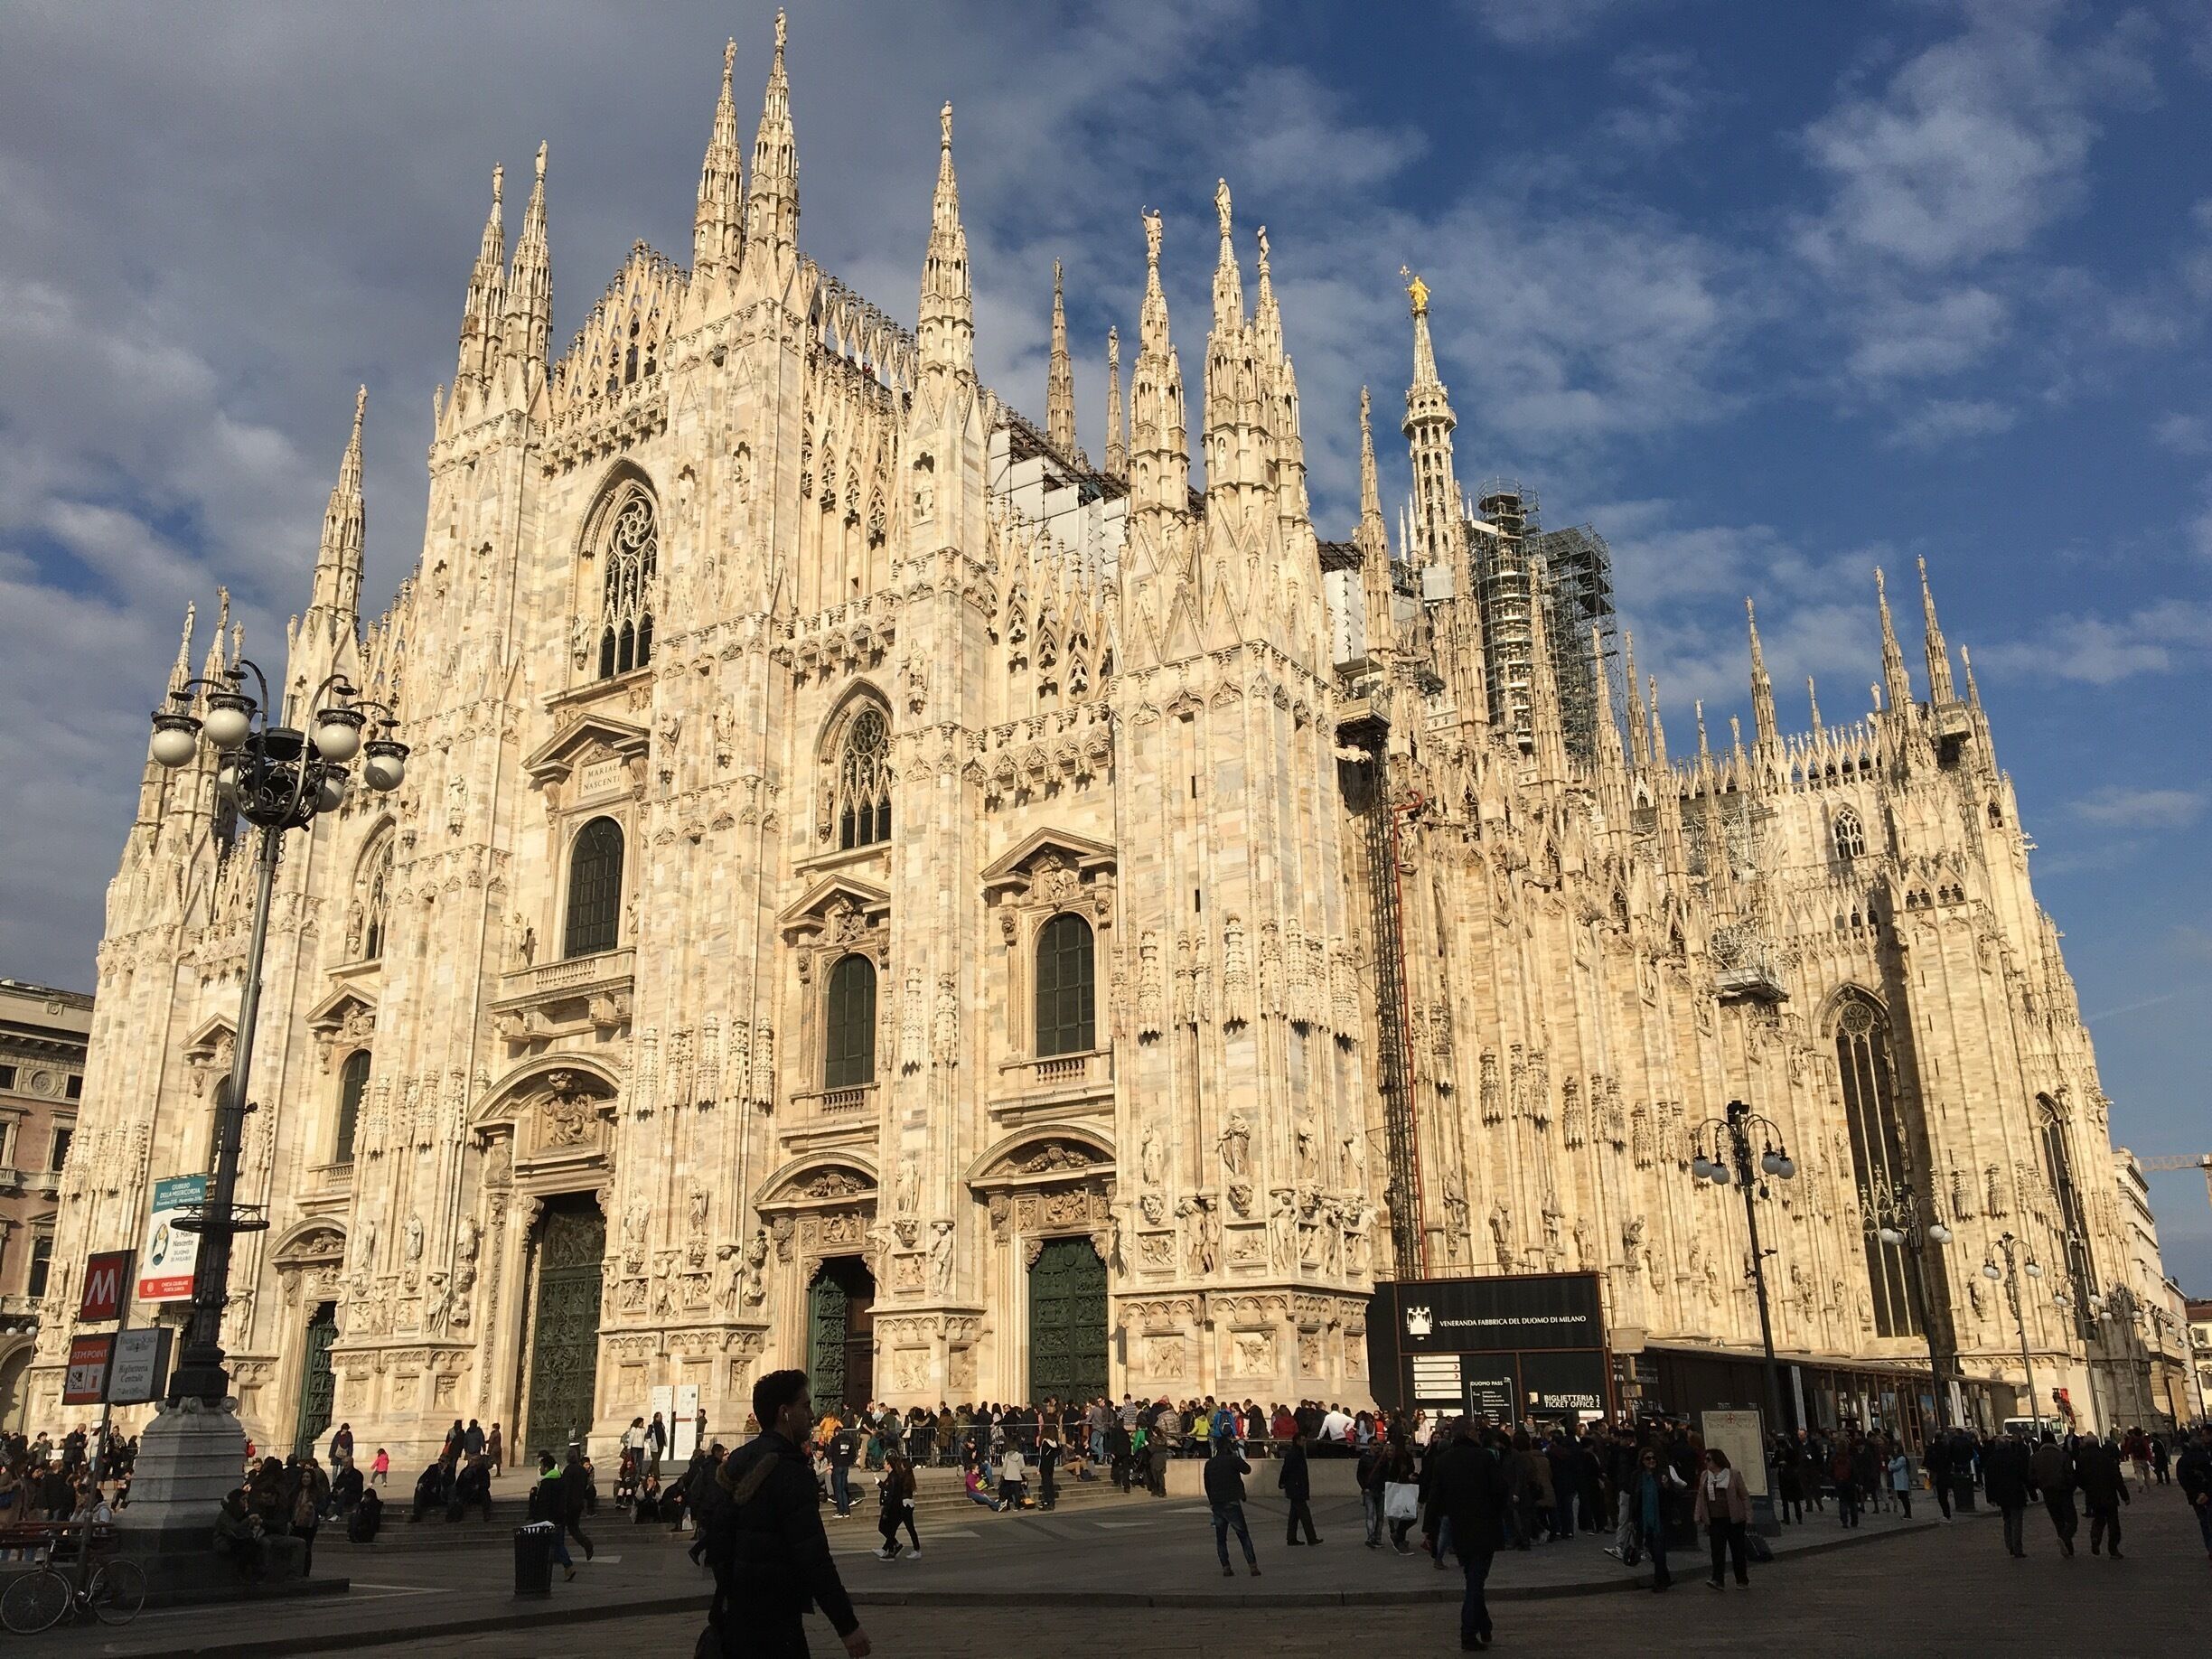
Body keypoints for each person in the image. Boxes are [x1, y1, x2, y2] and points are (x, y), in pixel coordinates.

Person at [697, 1368, 870, 1658]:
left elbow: (716, 1538)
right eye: (804, 1405)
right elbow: (813, 1557)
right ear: (784, 1413)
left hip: (734, 1614)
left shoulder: (737, 1460)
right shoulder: (790, 1473)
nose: (812, 1414)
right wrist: (847, 1626)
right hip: (776, 1618)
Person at [1424, 1419, 1510, 1652]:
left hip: (1459, 1528)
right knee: (1476, 1580)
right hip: (1485, 1526)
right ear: (1471, 1433)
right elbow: (1501, 1489)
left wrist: (1428, 1528)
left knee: (1473, 1578)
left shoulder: (1443, 1461)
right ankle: (1468, 1633)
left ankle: (1484, 1625)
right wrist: (1498, 1512)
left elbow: (1434, 1497)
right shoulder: (1484, 1457)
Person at [1632, 1445, 1686, 1591]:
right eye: (1648, 1458)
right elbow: (1634, 1497)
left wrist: (1667, 1486)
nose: (1651, 1461)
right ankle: (1665, 1577)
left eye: (1653, 1458)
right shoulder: (1638, 1476)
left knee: (1659, 1550)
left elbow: (1674, 1496)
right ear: (1642, 1461)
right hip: (1644, 1519)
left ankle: (1659, 1582)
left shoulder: (1663, 1474)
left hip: (1660, 1518)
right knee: (1652, 1550)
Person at [1694, 1448, 1751, 1589]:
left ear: (1717, 1460)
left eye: (1709, 1459)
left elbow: (1744, 1496)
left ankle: (1742, 1580)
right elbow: (1700, 1497)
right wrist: (1698, 1514)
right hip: (1715, 1519)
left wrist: (1749, 1516)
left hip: (1733, 1518)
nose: (1706, 1462)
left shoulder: (1733, 1475)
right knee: (1717, 1550)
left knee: (1737, 1550)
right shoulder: (1705, 1476)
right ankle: (1717, 1579)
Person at [1204, 1437, 1261, 1578]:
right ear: (1228, 1447)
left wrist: (1212, 1500)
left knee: (1221, 1538)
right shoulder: (1232, 1460)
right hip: (1232, 1502)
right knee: (1243, 1535)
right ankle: (1252, 1566)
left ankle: (1226, 1567)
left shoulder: (1210, 1463)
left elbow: (1207, 1485)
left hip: (1217, 1503)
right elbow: (1247, 1469)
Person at [1982, 1427, 2035, 1559]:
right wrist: (2032, 1491)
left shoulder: (1992, 1460)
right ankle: (2017, 1547)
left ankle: (2009, 1544)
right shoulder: (2014, 1458)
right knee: (2017, 1520)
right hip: (2016, 1493)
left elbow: (1989, 1481)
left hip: (2002, 1495)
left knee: (2007, 1520)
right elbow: (2024, 1476)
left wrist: (1990, 1497)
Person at [2074, 1433, 2129, 1558]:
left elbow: (2078, 1478)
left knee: (2098, 1519)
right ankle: (2113, 1549)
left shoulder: (2081, 1459)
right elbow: (2116, 1477)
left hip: (2093, 1495)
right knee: (2113, 1522)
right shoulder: (2105, 1457)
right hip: (2109, 1494)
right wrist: (2124, 1495)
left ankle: (2095, 1537)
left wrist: (2087, 1488)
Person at [2030, 1430, 2076, 1555]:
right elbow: (2070, 1475)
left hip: (2047, 1492)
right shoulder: (2063, 1456)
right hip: (2063, 1491)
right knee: (2072, 1520)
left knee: (2058, 1520)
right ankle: (2065, 1539)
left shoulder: (2035, 1457)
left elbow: (2032, 1477)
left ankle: (2068, 1549)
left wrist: (2038, 1488)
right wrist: (2071, 1487)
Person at [535, 1454, 576, 1580]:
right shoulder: (560, 1480)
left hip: (548, 1519)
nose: (540, 1468)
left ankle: (566, 1566)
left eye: (541, 1466)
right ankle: (567, 1567)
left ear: (546, 1468)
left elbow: (543, 1504)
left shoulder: (546, 1483)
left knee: (549, 1545)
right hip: (560, 1517)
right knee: (557, 1544)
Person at [2175, 1424, 2212, 1565]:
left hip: (2195, 1497)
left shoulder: (2183, 1460)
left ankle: (2209, 1548)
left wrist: (2193, 1493)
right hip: (2207, 1495)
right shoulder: (2205, 1457)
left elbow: (2182, 1479)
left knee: (2204, 1522)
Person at [1279, 1423, 1321, 1545]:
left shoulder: (1298, 1453)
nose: (1304, 1442)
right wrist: (1282, 1482)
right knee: (1305, 1514)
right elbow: (1286, 1469)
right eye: (1302, 1440)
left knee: (1294, 1515)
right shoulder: (1294, 1454)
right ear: (1297, 1441)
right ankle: (1311, 1538)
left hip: (1296, 1487)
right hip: (1296, 1487)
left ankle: (1291, 1538)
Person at [214, 1486, 267, 1580]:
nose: (245, 1502)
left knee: (252, 1544)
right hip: (225, 1540)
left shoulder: (243, 1512)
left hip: (240, 1539)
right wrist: (248, 1520)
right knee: (246, 1546)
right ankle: (244, 1572)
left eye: (246, 1499)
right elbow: (234, 1529)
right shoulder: (225, 1514)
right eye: (243, 1499)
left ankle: (254, 1571)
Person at [873, 1454, 915, 1561]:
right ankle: (890, 1547)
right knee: (891, 1529)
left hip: (897, 1506)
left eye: (885, 1463)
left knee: (889, 1528)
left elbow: (891, 1493)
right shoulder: (894, 1477)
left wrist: (886, 1509)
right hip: (895, 1506)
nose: (884, 1465)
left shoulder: (896, 1477)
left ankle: (893, 1548)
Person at [827, 1420, 859, 1518]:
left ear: (836, 1432)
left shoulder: (835, 1440)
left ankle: (840, 1511)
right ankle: (847, 1511)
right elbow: (853, 1453)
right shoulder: (849, 1439)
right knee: (844, 1488)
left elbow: (830, 1453)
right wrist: (848, 1461)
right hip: (845, 1466)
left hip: (837, 1466)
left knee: (838, 1489)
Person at [1887, 1444, 1914, 1519]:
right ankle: (1906, 1513)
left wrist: (1891, 1462)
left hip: (1902, 1480)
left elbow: (1895, 1467)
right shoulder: (1896, 1458)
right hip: (1898, 1481)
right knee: (1902, 1497)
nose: (1895, 1450)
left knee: (1905, 1498)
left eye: (1896, 1449)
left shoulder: (1901, 1458)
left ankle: (1908, 1514)